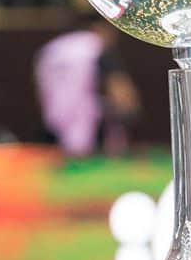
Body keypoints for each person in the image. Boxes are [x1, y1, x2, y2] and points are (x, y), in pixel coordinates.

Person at [33, 15, 140, 156]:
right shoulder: (96, 46)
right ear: (101, 28)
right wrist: (130, 110)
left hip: (53, 120)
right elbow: (118, 87)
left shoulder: (51, 49)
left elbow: (39, 86)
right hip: (89, 124)